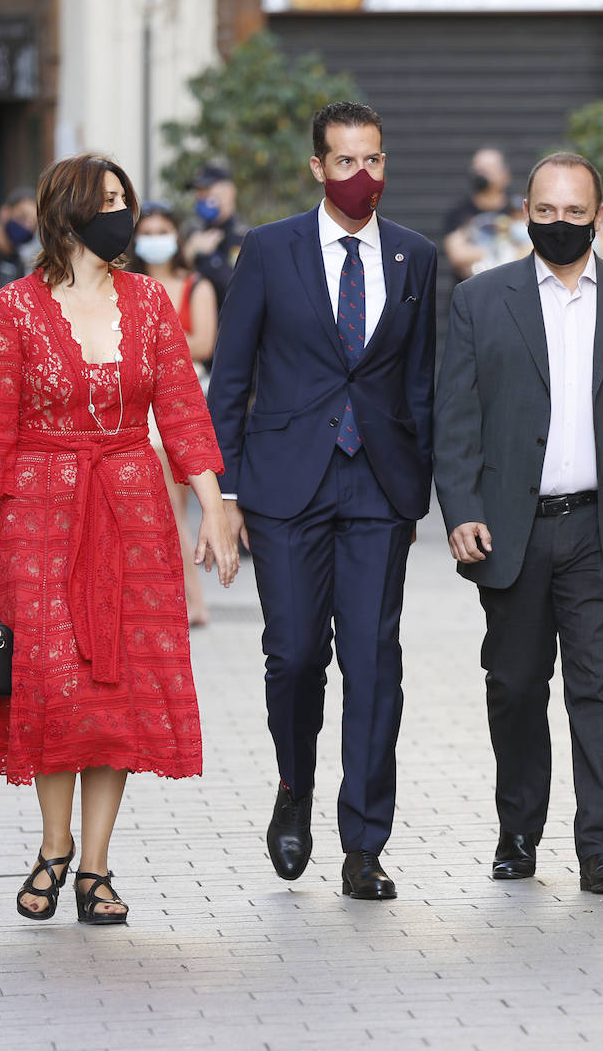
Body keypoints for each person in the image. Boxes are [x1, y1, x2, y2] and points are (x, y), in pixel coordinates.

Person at [0, 153, 239, 925]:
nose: (123, 213)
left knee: (117, 688)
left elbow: (181, 411)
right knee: (52, 682)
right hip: (41, 514)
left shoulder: (148, 302)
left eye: (126, 200)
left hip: (132, 507)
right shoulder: (14, 307)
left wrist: (212, 506)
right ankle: (54, 845)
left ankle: (97, 867)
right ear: (69, 210)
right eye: (108, 200)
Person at [434, 151, 603, 895]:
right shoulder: (480, 301)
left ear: (599, 216)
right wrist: (461, 511)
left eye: (574, 212)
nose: (559, 223)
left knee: (601, 685)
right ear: (525, 213)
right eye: (544, 211)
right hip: (511, 528)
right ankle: (519, 828)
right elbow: (456, 419)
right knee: (515, 684)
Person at [207, 102, 438, 901]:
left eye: (373, 161)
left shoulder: (415, 257)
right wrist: (224, 491)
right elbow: (230, 377)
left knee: (375, 663)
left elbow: (424, 382)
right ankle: (293, 786)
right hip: (284, 483)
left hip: (379, 485)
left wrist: (423, 480)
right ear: (317, 167)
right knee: (297, 652)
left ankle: (365, 843)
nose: (361, 177)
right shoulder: (270, 250)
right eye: (345, 163)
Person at [129, 201, 218, 627]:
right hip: (135, 402)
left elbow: (203, 344)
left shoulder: (194, 285)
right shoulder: (123, 285)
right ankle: (173, 600)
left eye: (164, 230)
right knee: (158, 512)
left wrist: (154, 334)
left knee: (170, 509)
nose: (156, 239)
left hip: (180, 401)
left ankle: (193, 602)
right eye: (148, 231)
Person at [183, 163, 251, 311]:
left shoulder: (245, 236)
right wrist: (188, 254)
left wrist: (212, 259)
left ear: (229, 192)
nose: (200, 196)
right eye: (198, 191)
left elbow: (242, 290)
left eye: (206, 189)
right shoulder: (191, 231)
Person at [443, 148, 512, 280]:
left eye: (488, 168)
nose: (481, 173)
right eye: (477, 168)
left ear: (505, 175)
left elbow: (528, 251)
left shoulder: (517, 210)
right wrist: (502, 252)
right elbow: (457, 255)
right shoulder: (459, 213)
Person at [0, 187, 38, 295]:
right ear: (4, 212)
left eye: (33, 224)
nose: (26, 227)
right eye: (22, 217)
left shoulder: (19, 266)